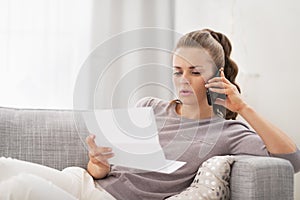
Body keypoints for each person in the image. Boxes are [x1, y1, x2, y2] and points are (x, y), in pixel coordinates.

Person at [1, 28, 300, 200]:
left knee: (19, 189)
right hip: (84, 183)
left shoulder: (227, 133)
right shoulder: (149, 107)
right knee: (5, 167)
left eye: (194, 72)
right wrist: (97, 165)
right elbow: (105, 172)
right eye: (177, 71)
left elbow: (292, 160)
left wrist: (243, 108)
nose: (183, 80)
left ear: (217, 76)